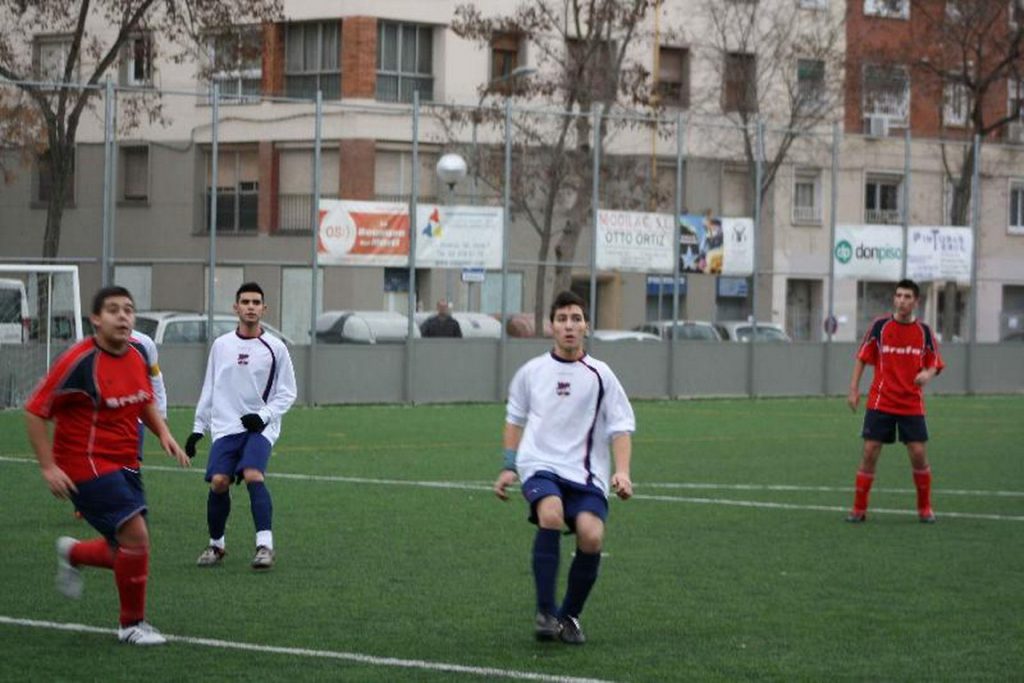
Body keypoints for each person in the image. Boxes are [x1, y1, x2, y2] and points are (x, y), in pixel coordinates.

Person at [25, 286, 190, 646]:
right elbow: (36, 410)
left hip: (126, 462)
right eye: (113, 310)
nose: (123, 316)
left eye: (128, 310)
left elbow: (143, 399)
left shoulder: (135, 354)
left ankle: (72, 552)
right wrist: (49, 467)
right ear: (96, 319)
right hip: (82, 463)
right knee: (136, 536)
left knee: (125, 549)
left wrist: (163, 432)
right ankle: (131, 625)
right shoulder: (79, 361)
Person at [493, 290, 635, 645]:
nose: (569, 326)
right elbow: (514, 419)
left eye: (576, 319)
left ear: (586, 326)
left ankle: (568, 615)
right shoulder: (532, 372)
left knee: (592, 535)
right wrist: (509, 466)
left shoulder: (602, 375)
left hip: (586, 473)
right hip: (540, 464)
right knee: (551, 513)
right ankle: (545, 611)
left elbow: (620, 427)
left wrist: (623, 471)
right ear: (552, 327)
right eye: (562, 319)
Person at [185, 282, 296, 570]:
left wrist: (264, 416)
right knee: (220, 482)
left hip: (261, 429)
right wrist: (199, 427)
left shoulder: (276, 348)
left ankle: (265, 546)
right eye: (245, 301)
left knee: (252, 474)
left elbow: (288, 392)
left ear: (264, 308)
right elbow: (211, 387)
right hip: (226, 427)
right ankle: (217, 546)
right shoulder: (221, 346)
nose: (250, 306)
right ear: (235, 307)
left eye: (256, 302)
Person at [846, 279, 944, 524]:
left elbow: (935, 363)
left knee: (918, 453)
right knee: (869, 451)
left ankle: (925, 509)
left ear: (916, 301)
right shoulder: (880, 327)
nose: (902, 300)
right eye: (898, 295)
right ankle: (859, 510)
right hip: (881, 400)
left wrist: (927, 374)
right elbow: (862, 357)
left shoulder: (924, 332)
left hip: (911, 402)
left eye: (907, 297)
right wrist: (854, 389)